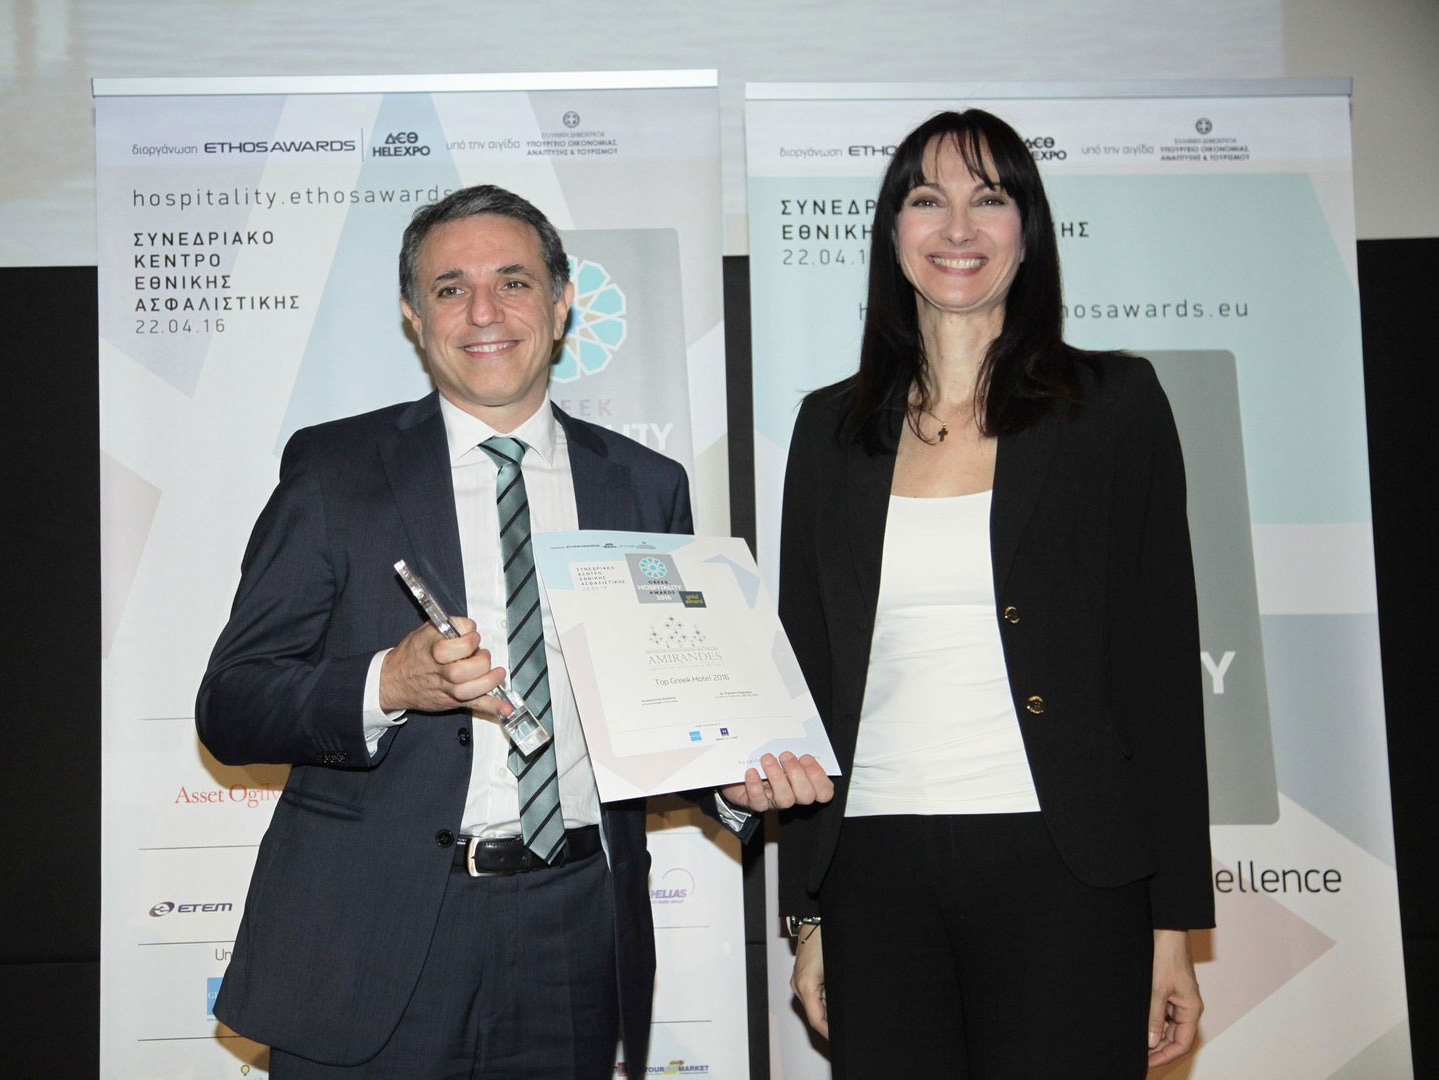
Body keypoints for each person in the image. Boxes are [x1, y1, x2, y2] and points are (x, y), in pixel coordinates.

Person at [197, 184, 831, 1078]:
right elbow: (232, 702)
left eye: (514, 282)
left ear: (562, 303)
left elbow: (665, 715)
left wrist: (734, 785)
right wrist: (389, 683)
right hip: (374, 936)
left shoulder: (645, 486)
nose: (484, 311)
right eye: (450, 288)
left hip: (575, 934)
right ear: (414, 316)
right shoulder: (336, 471)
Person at [776, 110, 1214, 1079]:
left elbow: (1157, 673)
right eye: (928, 200)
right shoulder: (829, 430)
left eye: (989, 199)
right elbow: (804, 671)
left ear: (1029, 228)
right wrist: (807, 913)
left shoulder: (1114, 408)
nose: (958, 228)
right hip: (872, 869)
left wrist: (1172, 923)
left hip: (1069, 868)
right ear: (894, 232)